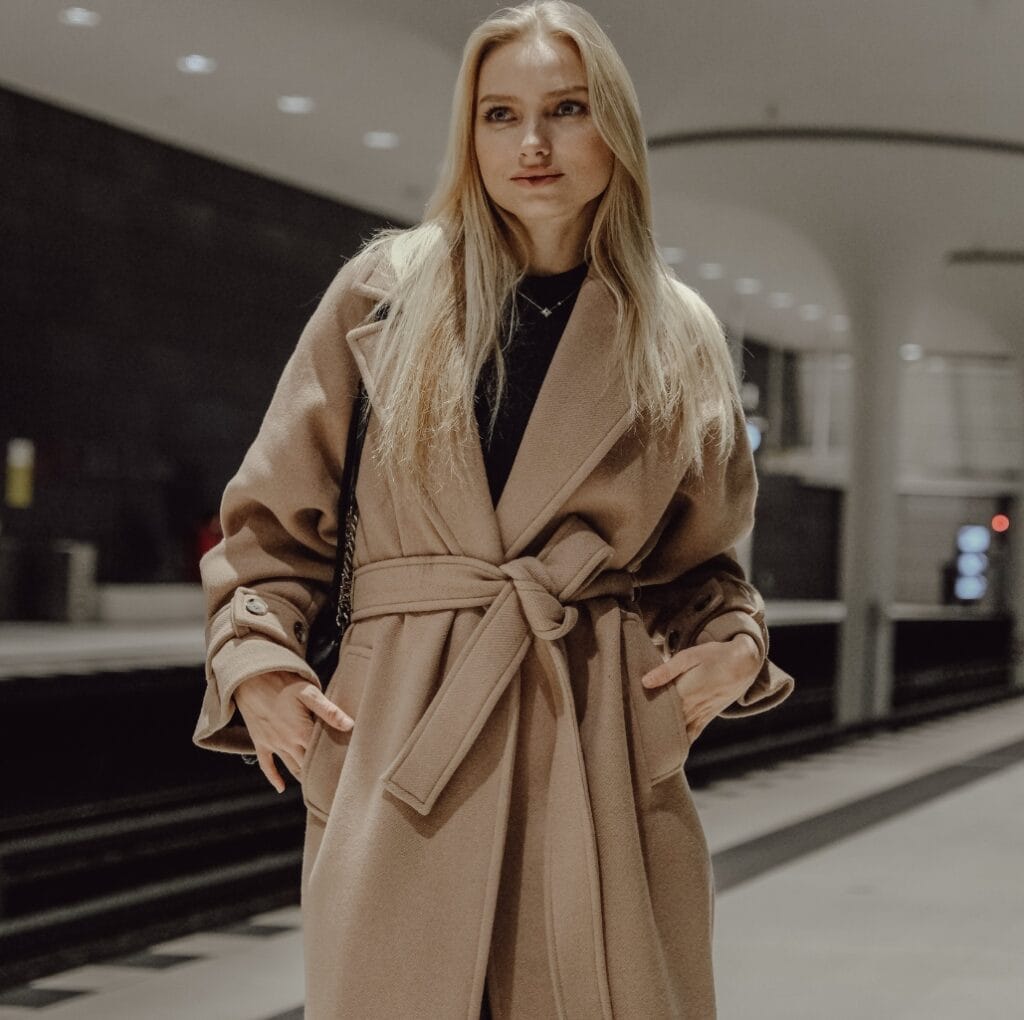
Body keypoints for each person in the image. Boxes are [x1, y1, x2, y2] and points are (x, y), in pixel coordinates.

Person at [192, 2, 796, 1017]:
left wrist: (734, 647)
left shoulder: (678, 333)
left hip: (592, 732)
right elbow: (268, 532)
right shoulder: (381, 295)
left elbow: (700, 564)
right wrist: (255, 666)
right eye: (498, 113)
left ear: (615, 126)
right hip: (401, 729)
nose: (531, 143)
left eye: (565, 109)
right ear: (467, 134)